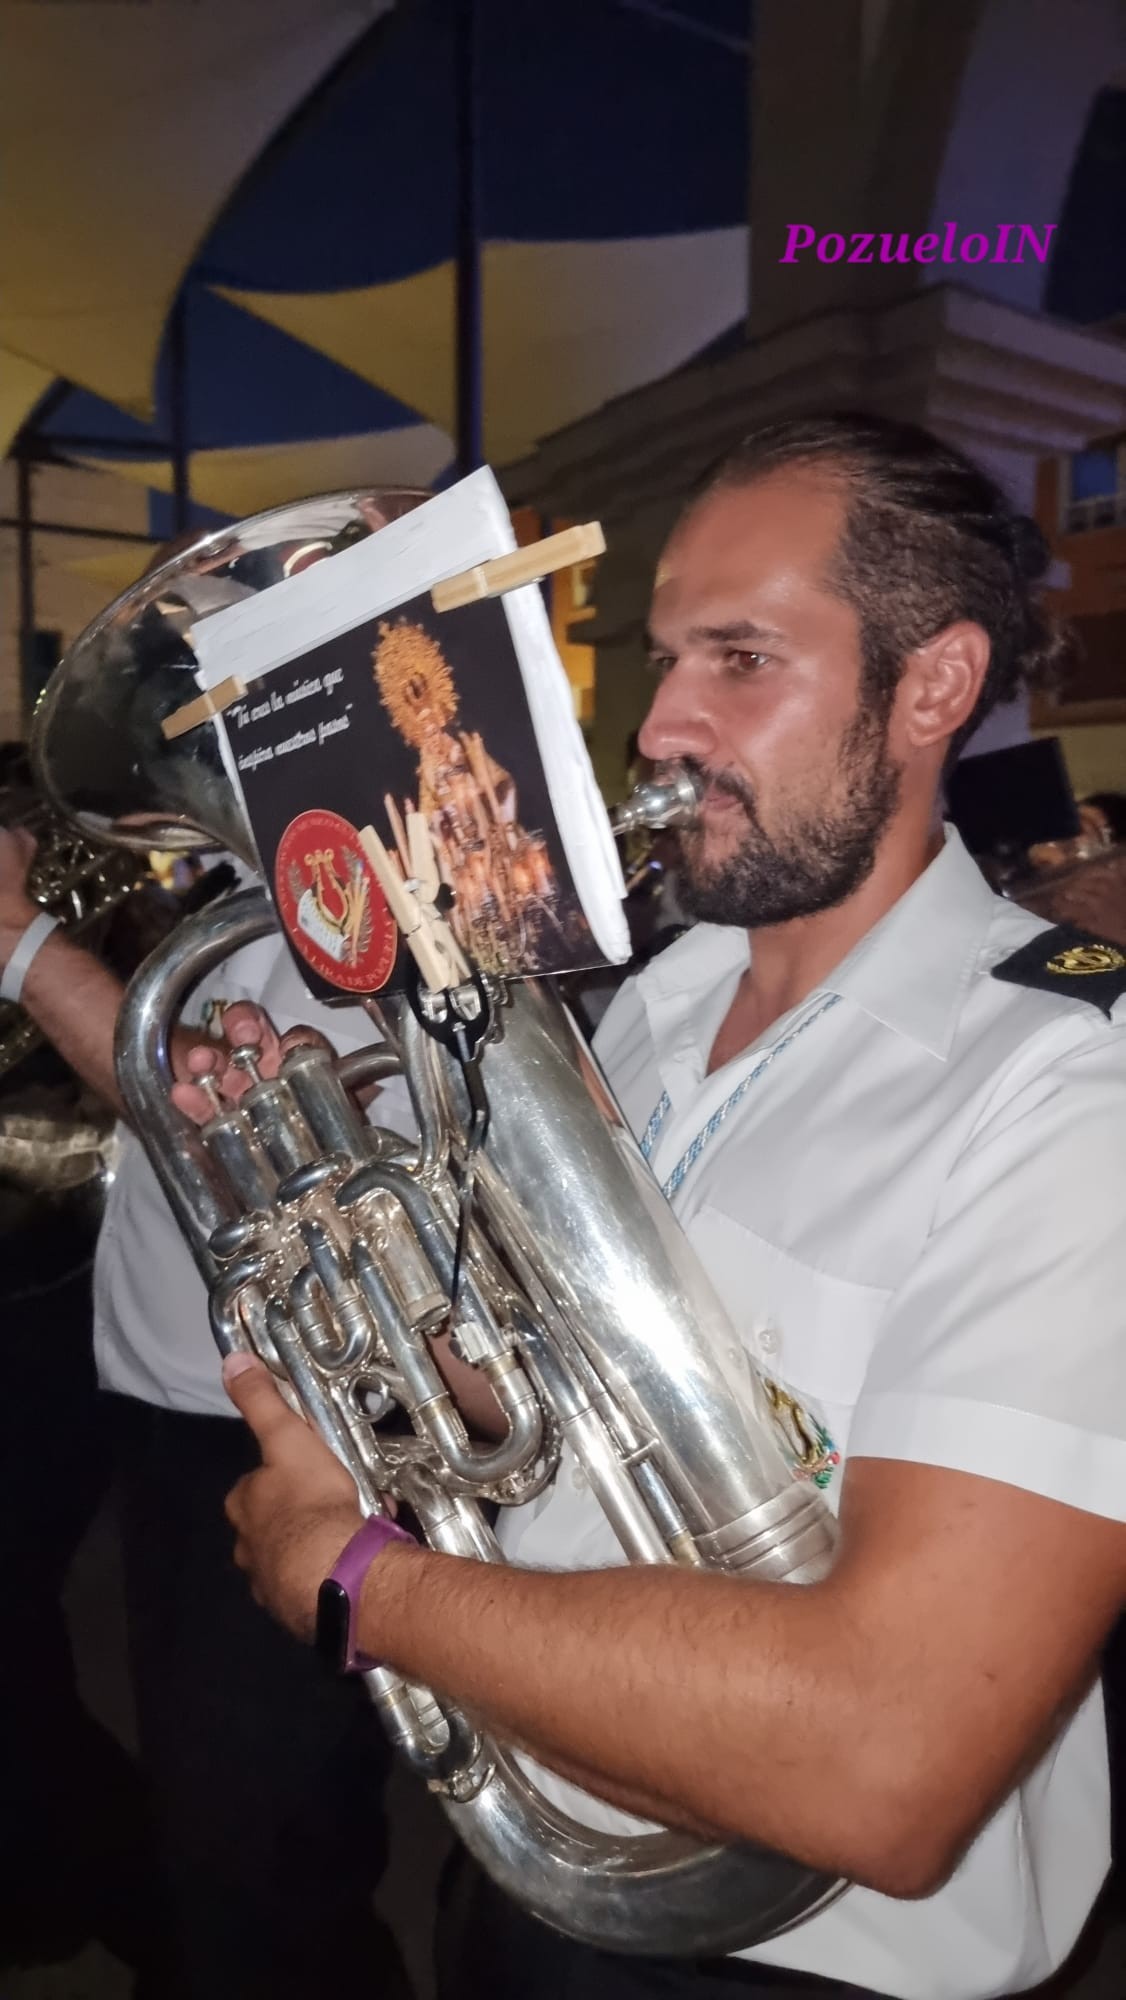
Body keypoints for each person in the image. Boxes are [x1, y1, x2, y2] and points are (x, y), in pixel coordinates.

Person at [182, 412, 1126, 2000]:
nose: (662, 726)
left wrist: (358, 1584)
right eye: (662, 656)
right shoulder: (650, 1008)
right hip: (528, 1889)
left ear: (935, 688)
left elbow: (882, 1763)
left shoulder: (1062, 1086)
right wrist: (355, 1274)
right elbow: (550, 1420)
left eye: (741, 661)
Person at [0, 828, 414, 2000]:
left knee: (267, 1842)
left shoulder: (359, 868)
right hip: (176, 1406)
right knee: (216, 1814)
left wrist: (21, 941)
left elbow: (261, 1122)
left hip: (288, 1427)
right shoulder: (243, 883)